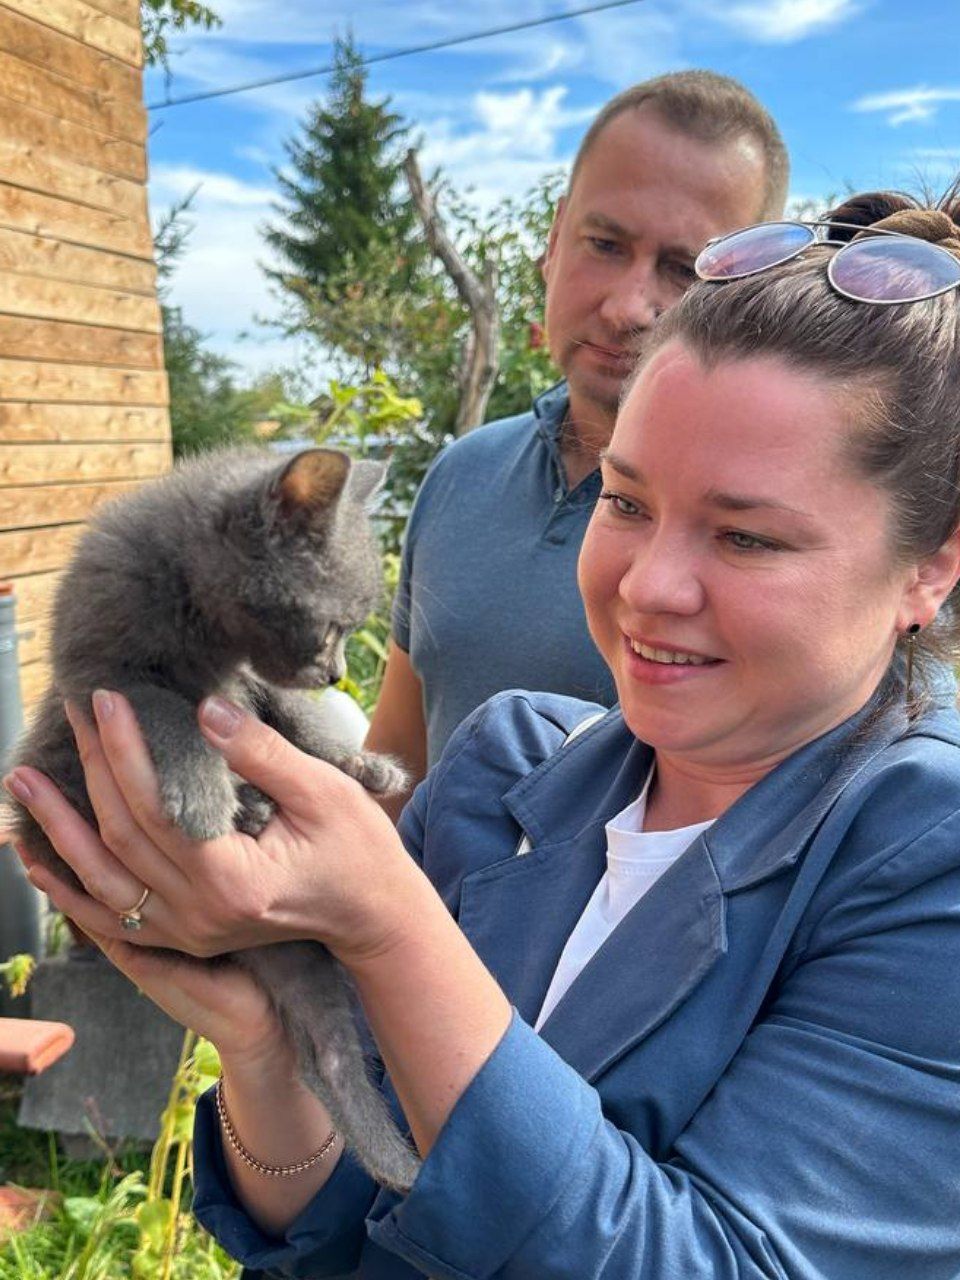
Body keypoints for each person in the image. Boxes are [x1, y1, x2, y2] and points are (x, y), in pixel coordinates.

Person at [9, 190, 960, 1279]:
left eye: (745, 535)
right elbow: (343, 1231)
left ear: (931, 561)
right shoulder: (511, 766)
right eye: (627, 501)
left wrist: (388, 926)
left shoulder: (925, 855)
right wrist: (265, 1043)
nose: (648, 586)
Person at [366, 70, 789, 810]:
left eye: (683, 269)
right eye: (603, 243)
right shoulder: (462, 474)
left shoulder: (778, 537)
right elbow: (396, 764)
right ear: (554, 240)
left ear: (750, 287)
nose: (629, 306)